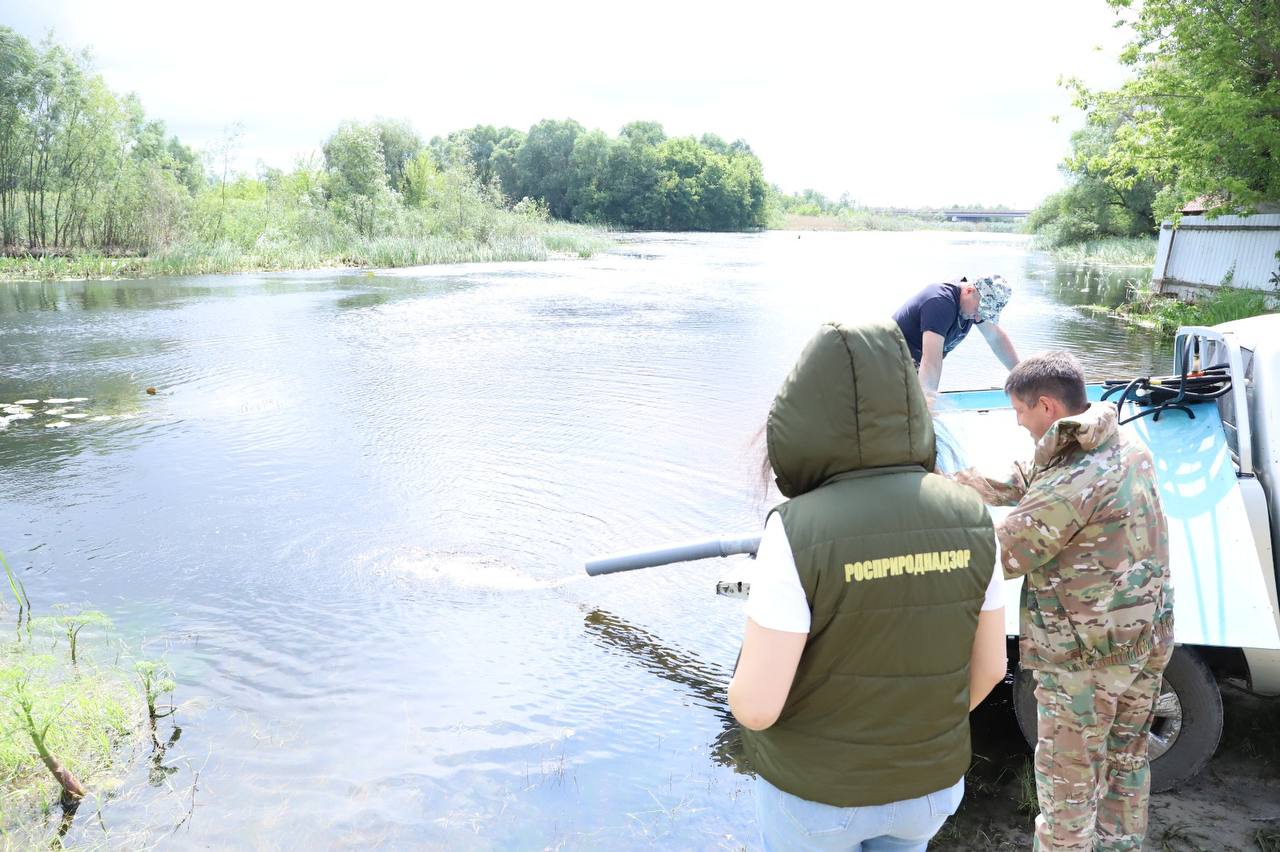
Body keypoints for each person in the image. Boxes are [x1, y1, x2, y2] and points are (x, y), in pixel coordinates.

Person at [728, 320, 1008, 851]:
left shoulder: (796, 529)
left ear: (802, 418)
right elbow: (991, 668)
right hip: (929, 790)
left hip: (818, 796)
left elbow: (757, 706)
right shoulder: (973, 516)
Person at [951, 351, 1174, 852]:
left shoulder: (1072, 482)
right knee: (1126, 767)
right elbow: (1031, 479)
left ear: (1047, 407)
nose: (1017, 421)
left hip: (1084, 665)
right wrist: (955, 484)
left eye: (1020, 411)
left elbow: (996, 556)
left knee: (1068, 798)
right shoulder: (1120, 445)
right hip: (1143, 643)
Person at [893, 275, 1019, 395]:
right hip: (886, 363)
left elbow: (996, 338)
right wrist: (926, 401)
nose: (978, 317)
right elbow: (931, 362)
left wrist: (1021, 375)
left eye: (985, 313)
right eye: (979, 309)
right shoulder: (940, 302)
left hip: (910, 366)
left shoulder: (971, 305)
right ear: (969, 290)